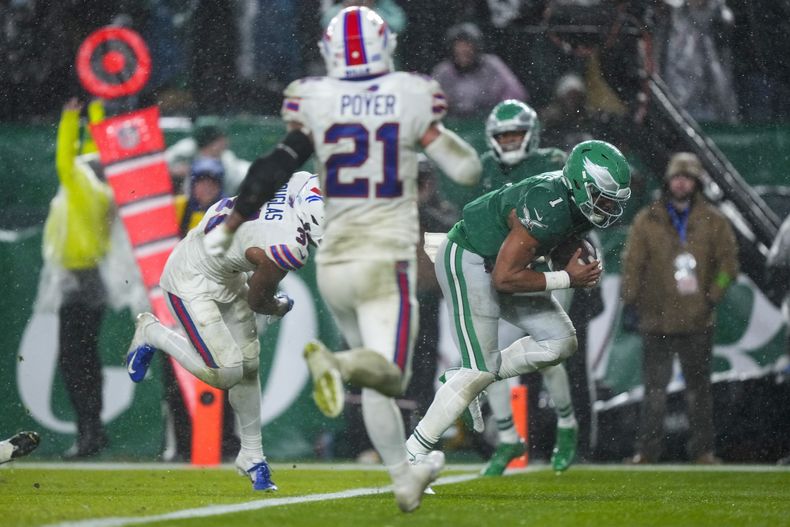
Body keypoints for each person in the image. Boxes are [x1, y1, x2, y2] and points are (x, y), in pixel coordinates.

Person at [201, 6, 482, 512]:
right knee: (389, 375)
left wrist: (235, 218)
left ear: (332, 51)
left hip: (334, 259)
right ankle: (334, 364)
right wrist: (442, 143)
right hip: (385, 253)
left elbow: (274, 165)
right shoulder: (409, 94)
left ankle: (401, 480)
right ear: (385, 45)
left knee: (377, 385)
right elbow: (465, 169)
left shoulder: (317, 98)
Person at [404, 140, 632, 466]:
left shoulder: (574, 202)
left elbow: (549, 246)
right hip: (469, 260)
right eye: (602, 198)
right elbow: (504, 278)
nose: (608, 208)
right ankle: (413, 453)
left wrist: (569, 255)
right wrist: (568, 278)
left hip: (498, 264)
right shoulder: (547, 203)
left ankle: (467, 375)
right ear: (581, 184)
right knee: (478, 370)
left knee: (562, 342)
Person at [125, 171, 324, 491]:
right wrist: (280, 306)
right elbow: (259, 300)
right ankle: (153, 332)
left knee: (249, 363)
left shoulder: (298, 185)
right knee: (228, 371)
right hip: (190, 278)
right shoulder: (287, 243)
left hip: (221, 268)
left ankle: (253, 455)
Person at [470, 99, 580, 475]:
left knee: (550, 355)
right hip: (504, 269)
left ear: (531, 134)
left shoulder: (553, 162)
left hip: (547, 266)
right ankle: (507, 437)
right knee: (487, 358)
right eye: (505, 135)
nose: (512, 141)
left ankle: (567, 425)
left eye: (517, 133)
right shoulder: (485, 168)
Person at [621, 152, 739, 465]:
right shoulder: (647, 219)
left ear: (696, 183)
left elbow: (728, 266)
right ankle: (647, 452)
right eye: (676, 176)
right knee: (654, 393)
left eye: (687, 177)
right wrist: (629, 298)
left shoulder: (715, 221)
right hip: (655, 318)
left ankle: (703, 451)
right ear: (668, 181)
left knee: (699, 392)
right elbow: (633, 263)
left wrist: (712, 297)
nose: (681, 182)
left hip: (697, 319)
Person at [43, 98, 113, 459]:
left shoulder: (81, 186)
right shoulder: (103, 190)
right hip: (94, 279)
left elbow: (66, 160)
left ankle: (89, 431)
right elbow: (95, 151)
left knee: (74, 361)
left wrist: (70, 116)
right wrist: (96, 115)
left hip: (77, 278)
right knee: (87, 358)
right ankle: (94, 429)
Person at [431, 22, 527, 119]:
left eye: (467, 45)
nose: (463, 50)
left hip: (488, 121)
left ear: (477, 46)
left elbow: (516, 93)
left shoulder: (492, 65)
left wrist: (500, 111)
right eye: (459, 45)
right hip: (452, 125)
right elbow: (430, 101)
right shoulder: (442, 72)